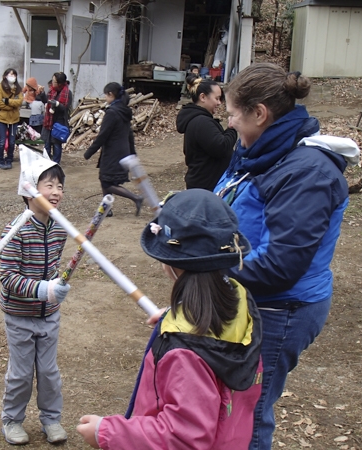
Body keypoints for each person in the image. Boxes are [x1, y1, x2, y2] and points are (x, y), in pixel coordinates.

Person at [214, 63, 357, 449]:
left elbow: (281, 264)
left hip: (281, 309)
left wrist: (207, 267)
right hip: (250, 298)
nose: (228, 124)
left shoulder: (307, 171)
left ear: (260, 113)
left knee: (252, 413)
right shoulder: (258, 153)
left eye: (232, 114)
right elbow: (230, 209)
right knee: (232, 405)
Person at [77, 189, 263, 449]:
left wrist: (107, 432)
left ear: (172, 263)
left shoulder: (184, 350)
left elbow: (183, 437)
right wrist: (176, 314)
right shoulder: (239, 299)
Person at [0, 150, 70, 445]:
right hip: (19, 317)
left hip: (49, 315)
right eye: (49, 185)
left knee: (49, 372)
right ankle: (12, 420)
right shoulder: (15, 231)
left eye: (60, 186)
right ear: (29, 190)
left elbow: (53, 265)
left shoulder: (59, 229)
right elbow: (8, 278)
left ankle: (51, 419)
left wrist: (57, 285)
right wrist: (43, 289)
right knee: (20, 374)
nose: (56, 192)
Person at [84, 82, 143, 217]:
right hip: (123, 152)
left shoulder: (112, 112)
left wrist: (89, 152)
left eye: (106, 95)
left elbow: (103, 135)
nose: (105, 98)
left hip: (112, 153)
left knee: (106, 182)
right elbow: (129, 135)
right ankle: (107, 209)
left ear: (111, 94)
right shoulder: (124, 111)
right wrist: (132, 152)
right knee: (106, 179)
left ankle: (136, 198)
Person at [176, 75, 237, 191]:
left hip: (204, 184)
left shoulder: (200, 120)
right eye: (217, 98)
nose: (219, 103)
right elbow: (221, 147)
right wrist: (232, 129)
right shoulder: (201, 122)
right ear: (203, 97)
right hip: (206, 187)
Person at [0, 68, 24, 170]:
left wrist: (7, 101)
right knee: (2, 141)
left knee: (12, 141)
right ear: (5, 76)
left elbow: (19, 102)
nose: (12, 77)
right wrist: (12, 105)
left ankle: (9, 158)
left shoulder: (18, 89)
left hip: (14, 119)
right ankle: (0, 159)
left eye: (14, 75)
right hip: (2, 118)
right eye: (10, 75)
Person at [42, 72, 70, 164]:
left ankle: (55, 164)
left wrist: (57, 105)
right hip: (49, 121)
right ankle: (46, 162)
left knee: (57, 144)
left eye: (54, 81)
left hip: (59, 122)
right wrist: (42, 94)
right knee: (47, 143)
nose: (52, 83)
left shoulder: (67, 93)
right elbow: (46, 100)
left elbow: (65, 108)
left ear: (60, 83)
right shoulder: (51, 91)